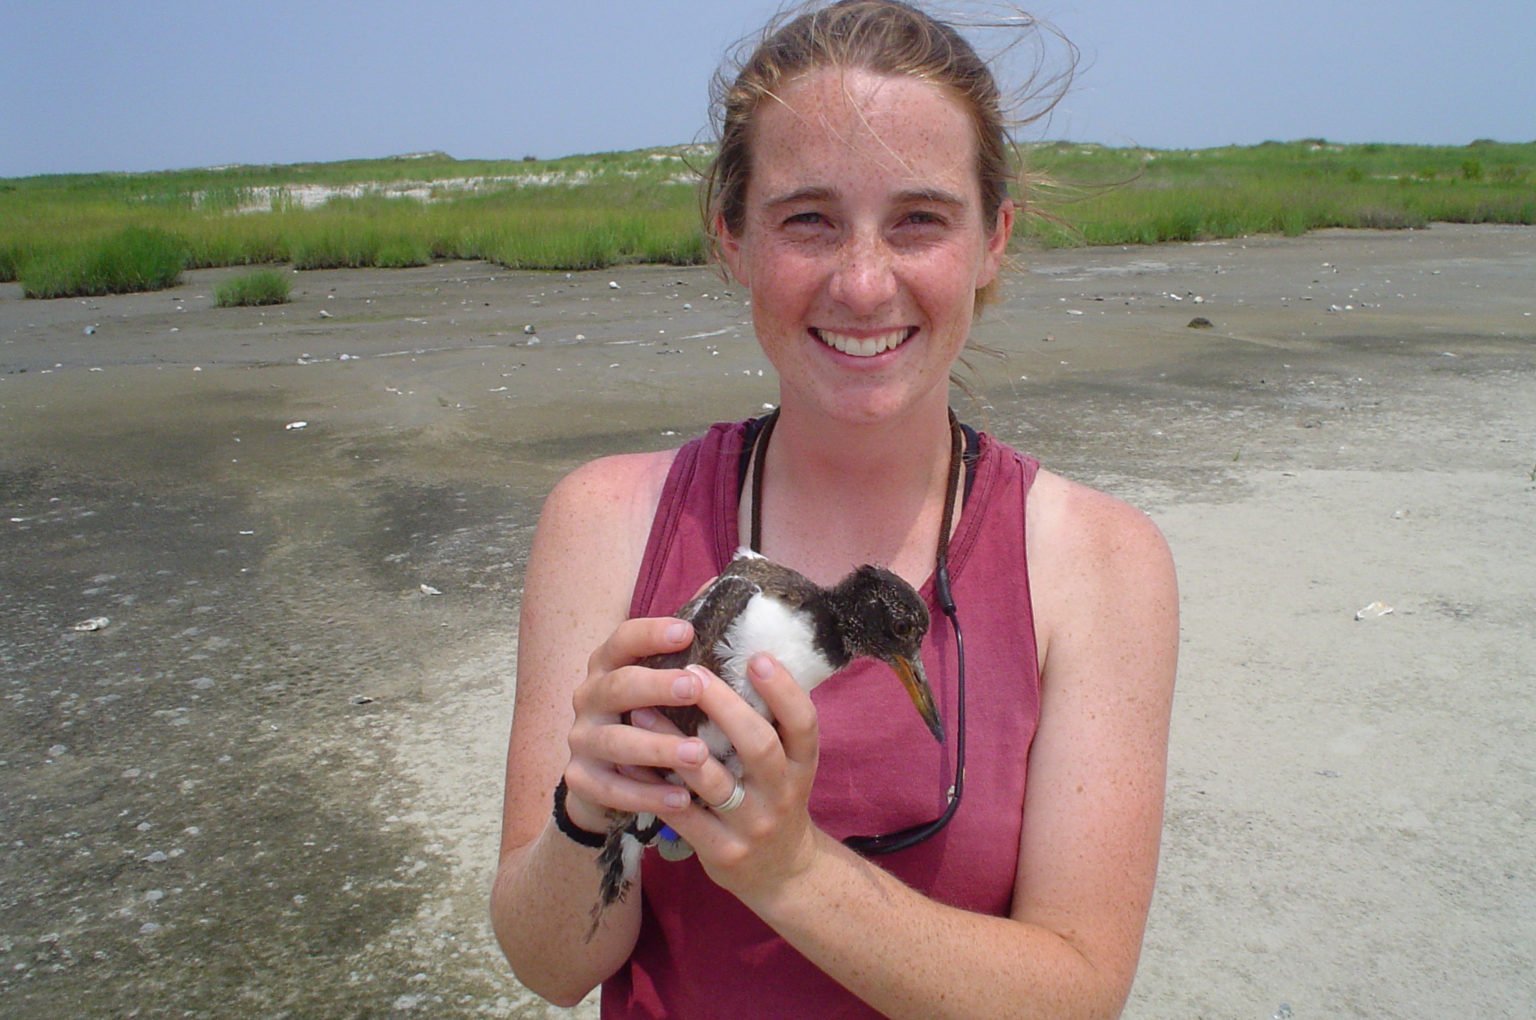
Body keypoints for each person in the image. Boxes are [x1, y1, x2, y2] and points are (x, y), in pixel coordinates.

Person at [491, 2, 1178, 1017]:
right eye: (807, 218)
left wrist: (789, 871)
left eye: (920, 219)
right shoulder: (604, 522)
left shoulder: (1102, 565)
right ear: (732, 237)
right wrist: (587, 815)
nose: (862, 283)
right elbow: (551, 967)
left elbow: (1077, 995)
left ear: (993, 238)